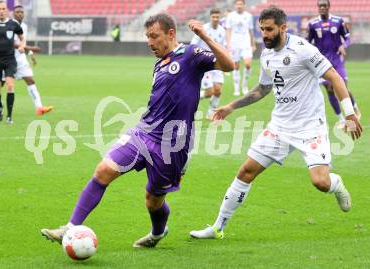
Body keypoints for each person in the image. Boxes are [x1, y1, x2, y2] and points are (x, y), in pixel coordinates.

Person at [41, 13, 234, 248]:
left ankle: (157, 233)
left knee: (153, 200)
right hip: (143, 133)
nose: (150, 43)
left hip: (172, 145)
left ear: (171, 34)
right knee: (103, 170)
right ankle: (69, 228)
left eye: (155, 36)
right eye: (147, 37)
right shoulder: (159, 64)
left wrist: (203, 35)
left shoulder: (191, 55)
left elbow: (229, 65)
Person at [189, 6, 363, 240]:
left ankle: (336, 183)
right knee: (245, 171)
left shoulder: (304, 49)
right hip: (279, 127)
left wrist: (350, 114)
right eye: (261, 29)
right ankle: (217, 227)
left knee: (320, 182)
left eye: (269, 29)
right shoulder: (267, 54)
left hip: (310, 127)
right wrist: (231, 106)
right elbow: (263, 89)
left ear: (283, 27)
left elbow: (334, 77)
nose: (265, 34)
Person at [0, 5, 52, 117]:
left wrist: (29, 52)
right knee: (0, 84)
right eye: (17, 12)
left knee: (30, 80)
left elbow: (22, 42)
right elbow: (10, 43)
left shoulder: (24, 26)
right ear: (13, 13)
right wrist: (31, 48)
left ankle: (39, 108)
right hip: (7, 59)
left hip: (20, 60)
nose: (20, 14)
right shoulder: (9, 25)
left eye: (22, 12)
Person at [307, 0, 361, 128]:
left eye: (324, 6)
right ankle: (341, 119)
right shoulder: (313, 24)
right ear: (318, 8)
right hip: (321, 61)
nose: (322, 8)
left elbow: (347, 37)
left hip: (337, 59)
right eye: (320, 6)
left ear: (329, 7)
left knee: (343, 87)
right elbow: (308, 42)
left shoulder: (338, 21)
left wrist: (344, 45)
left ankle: (355, 110)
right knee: (330, 90)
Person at [190, 8, 226, 119]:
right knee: (209, 92)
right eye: (213, 17)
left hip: (218, 63)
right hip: (205, 63)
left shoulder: (222, 31)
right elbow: (193, 44)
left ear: (220, 17)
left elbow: (222, 47)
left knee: (218, 91)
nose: (215, 19)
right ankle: (191, 98)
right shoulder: (203, 29)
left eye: (217, 17)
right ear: (210, 17)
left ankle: (211, 113)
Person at [226, 0, 256, 96]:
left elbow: (251, 31)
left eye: (241, 4)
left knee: (247, 64)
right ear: (235, 5)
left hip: (246, 42)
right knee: (236, 66)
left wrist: (253, 44)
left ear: (244, 5)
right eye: (237, 4)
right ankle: (236, 88)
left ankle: (244, 86)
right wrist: (228, 44)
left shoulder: (248, 16)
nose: (239, 6)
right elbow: (228, 30)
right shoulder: (230, 16)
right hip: (234, 43)